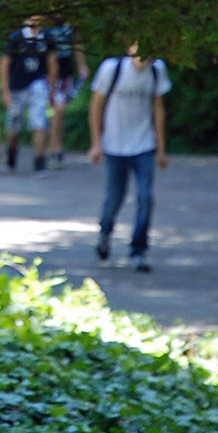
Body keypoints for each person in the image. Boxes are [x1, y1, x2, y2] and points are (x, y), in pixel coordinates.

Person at [88, 41, 171, 272]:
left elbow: (158, 109)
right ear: (129, 48)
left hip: (144, 144)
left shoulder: (157, 71)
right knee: (115, 197)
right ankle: (105, 233)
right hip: (115, 145)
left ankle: (139, 250)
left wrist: (162, 149)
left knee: (145, 197)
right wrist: (96, 143)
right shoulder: (111, 69)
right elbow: (96, 106)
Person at [1, 18, 55, 172]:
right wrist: (5, 90)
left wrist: (52, 87)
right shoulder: (17, 38)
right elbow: (4, 62)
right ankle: (12, 150)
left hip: (38, 84)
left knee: (39, 122)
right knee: (14, 126)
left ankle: (39, 159)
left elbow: (52, 61)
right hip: (17, 86)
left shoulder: (47, 38)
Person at [44, 21, 87, 168]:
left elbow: (77, 45)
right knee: (55, 111)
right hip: (47, 73)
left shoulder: (70, 24)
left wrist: (82, 65)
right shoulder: (45, 24)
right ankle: (53, 149)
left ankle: (56, 148)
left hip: (65, 73)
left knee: (59, 111)